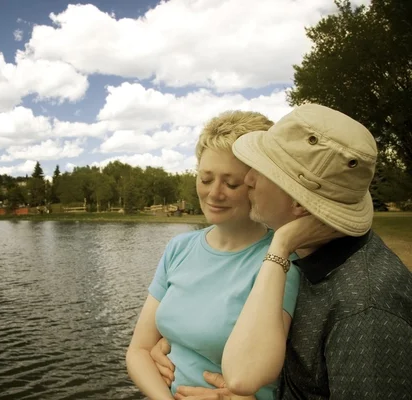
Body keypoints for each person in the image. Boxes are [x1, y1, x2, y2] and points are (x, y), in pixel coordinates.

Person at [151, 103, 412, 399]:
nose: (249, 179)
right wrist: (175, 344)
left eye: (262, 171)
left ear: (299, 204)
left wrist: (280, 245)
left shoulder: (365, 308)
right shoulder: (312, 259)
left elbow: (245, 376)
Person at [125, 111, 302, 400]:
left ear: (260, 183)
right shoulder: (178, 249)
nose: (214, 194)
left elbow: (258, 370)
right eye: (206, 179)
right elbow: (139, 350)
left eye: (231, 184)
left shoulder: (279, 261)